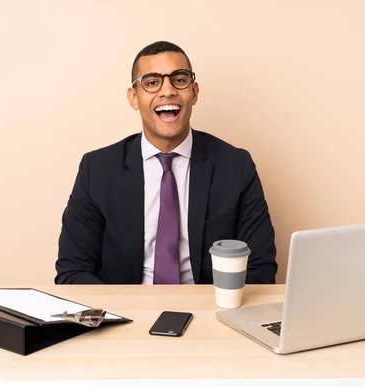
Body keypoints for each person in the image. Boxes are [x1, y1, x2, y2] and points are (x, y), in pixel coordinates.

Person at [55, 41, 277, 285]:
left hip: (209, 312)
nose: (168, 91)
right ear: (134, 98)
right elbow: (73, 271)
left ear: (194, 92)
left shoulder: (236, 166)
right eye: (152, 82)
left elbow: (260, 268)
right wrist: (120, 316)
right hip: (126, 315)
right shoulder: (96, 170)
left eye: (179, 80)